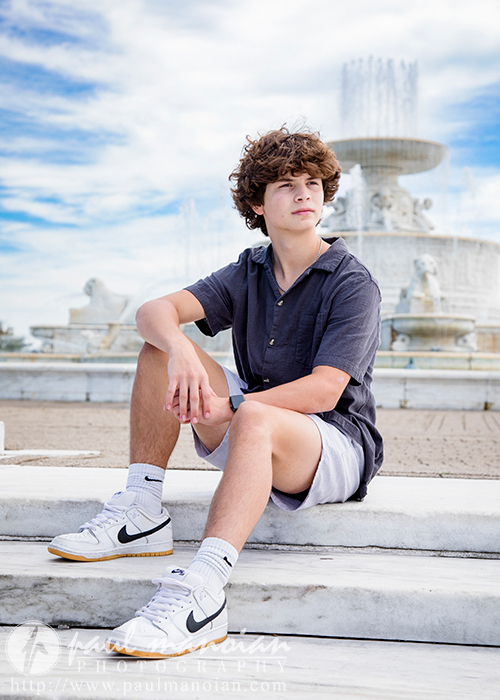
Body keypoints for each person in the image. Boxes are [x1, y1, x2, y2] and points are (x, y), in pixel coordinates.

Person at [48, 127, 383, 658]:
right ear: (257, 201)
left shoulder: (351, 280)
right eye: (286, 185)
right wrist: (181, 350)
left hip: (333, 446)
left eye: (313, 184)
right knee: (158, 347)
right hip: (254, 424)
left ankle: (202, 594)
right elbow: (150, 312)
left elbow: (324, 392)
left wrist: (230, 404)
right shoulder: (247, 270)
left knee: (255, 416)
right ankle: (141, 509)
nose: (304, 194)